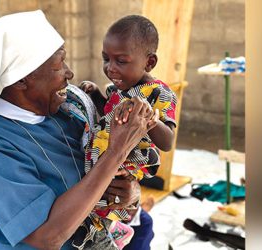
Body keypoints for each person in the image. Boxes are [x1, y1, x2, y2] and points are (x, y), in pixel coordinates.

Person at [0, 10, 158, 250]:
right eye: (58, 65)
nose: (69, 73)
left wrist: (128, 194)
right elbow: (47, 236)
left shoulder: (70, 108)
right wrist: (117, 152)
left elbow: (105, 178)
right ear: (22, 79)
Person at [80, 15, 178, 250]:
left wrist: (150, 120)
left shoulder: (158, 93)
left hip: (129, 162)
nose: (110, 68)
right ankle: (118, 230)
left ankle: (110, 234)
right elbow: (108, 111)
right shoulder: (118, 89)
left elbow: (168, 141)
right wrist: (95, 94)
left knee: (105, 199)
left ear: (149, 62)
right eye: (106, 59)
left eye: (121, 61)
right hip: (105, 153)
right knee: (95, 195)